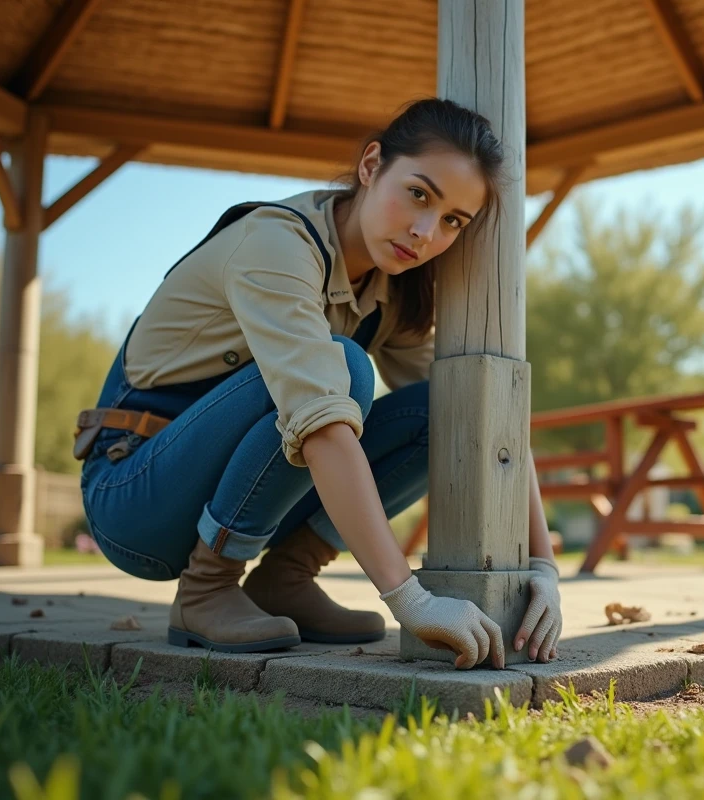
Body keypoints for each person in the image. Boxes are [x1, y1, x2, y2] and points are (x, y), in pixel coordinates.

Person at [74, 98, 562, 670]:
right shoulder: (277, 244)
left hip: (217, 483)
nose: (426, 232)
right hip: (135, 494)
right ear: (371, 164)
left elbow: (481, 414)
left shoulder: (392, 291)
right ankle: (207, 587)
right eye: (419, 194)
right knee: (344, 369)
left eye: (453, 220)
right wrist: (412, 600)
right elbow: (321, 418)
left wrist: (544, 568)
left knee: (445, 406)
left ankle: (285, 577)